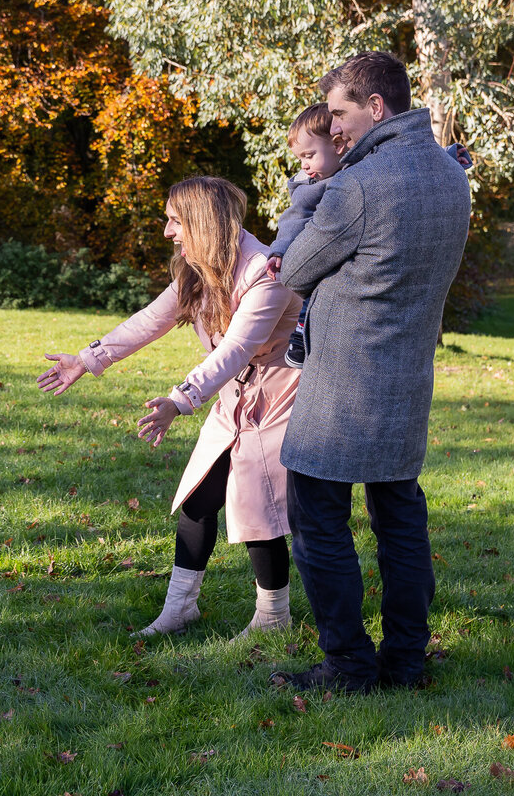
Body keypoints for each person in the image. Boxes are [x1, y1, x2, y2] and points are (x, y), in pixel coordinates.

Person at [272, 51, 472, 693]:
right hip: (409, 380)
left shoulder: (359, 184)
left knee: (318, 520)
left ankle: (350, 665)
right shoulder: (450, 176)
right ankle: (407, 662)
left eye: (338, 114)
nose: (331, 129)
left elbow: (297, 269)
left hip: (342, 389)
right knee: (401, 523)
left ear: (376, 107)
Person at [38, 176, 303, 639]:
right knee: (198, 499)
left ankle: (274, 618)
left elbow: (236, 349)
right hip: (232, 397)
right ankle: (180, 609)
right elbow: (152, 319)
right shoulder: (198, 269)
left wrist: (180, 401)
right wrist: (86, 359)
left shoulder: (266, 272)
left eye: (175, 220)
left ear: (202, 223)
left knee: (257, 506)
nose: (167, 231)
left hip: (278, 397)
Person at [265, 103, 472, 368]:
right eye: (300, 159)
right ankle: (300, 335)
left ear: (337, 145)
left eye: (309, 155)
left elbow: (405, 165)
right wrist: (279, 251)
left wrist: (450, 156)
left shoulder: (361, 169)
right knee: (313, 292)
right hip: (319, 253)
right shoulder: (309, 187)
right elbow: (293, 220)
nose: (304, 165)